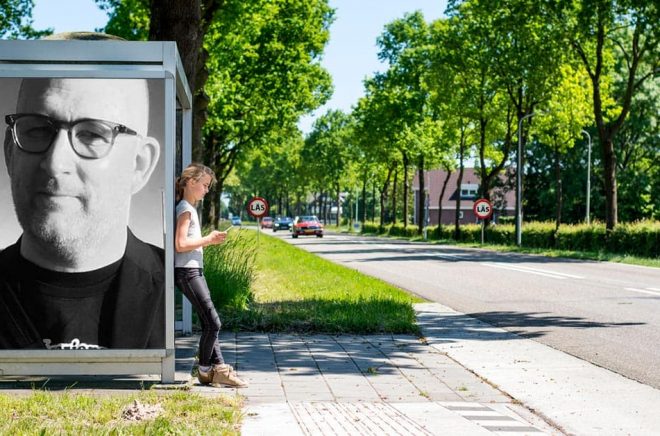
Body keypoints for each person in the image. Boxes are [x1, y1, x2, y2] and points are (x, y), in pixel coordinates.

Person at [0, 78, 164, 349]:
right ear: (9, 152)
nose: (55, 163)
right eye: (38, 129)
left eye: (92, 134)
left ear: (139, 165)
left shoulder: (179, 290)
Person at [175, 163, 247, 388]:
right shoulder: (185, 209)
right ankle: (207, 370)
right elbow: (180, 244)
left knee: (210, 321)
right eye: (205, 185)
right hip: (188, 272)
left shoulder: (188, 207)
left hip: (194, 270)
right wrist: (209, 239)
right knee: (213, 323)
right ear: (190, 182)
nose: (207, 190)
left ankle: (217, 370)